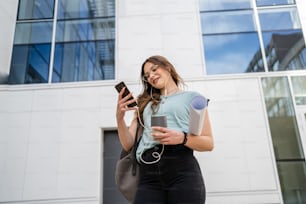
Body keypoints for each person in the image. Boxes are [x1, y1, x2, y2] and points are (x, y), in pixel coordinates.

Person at [116, 55, 214, 204]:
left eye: (154, 69)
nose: (151, 76)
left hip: (181, 168)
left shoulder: (193, 98)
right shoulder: (144, 104)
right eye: (147, 75)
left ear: (167, 67)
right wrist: (119, 118)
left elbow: (208, 143)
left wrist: (182, 138)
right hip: (148, 174)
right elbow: (128, 144)